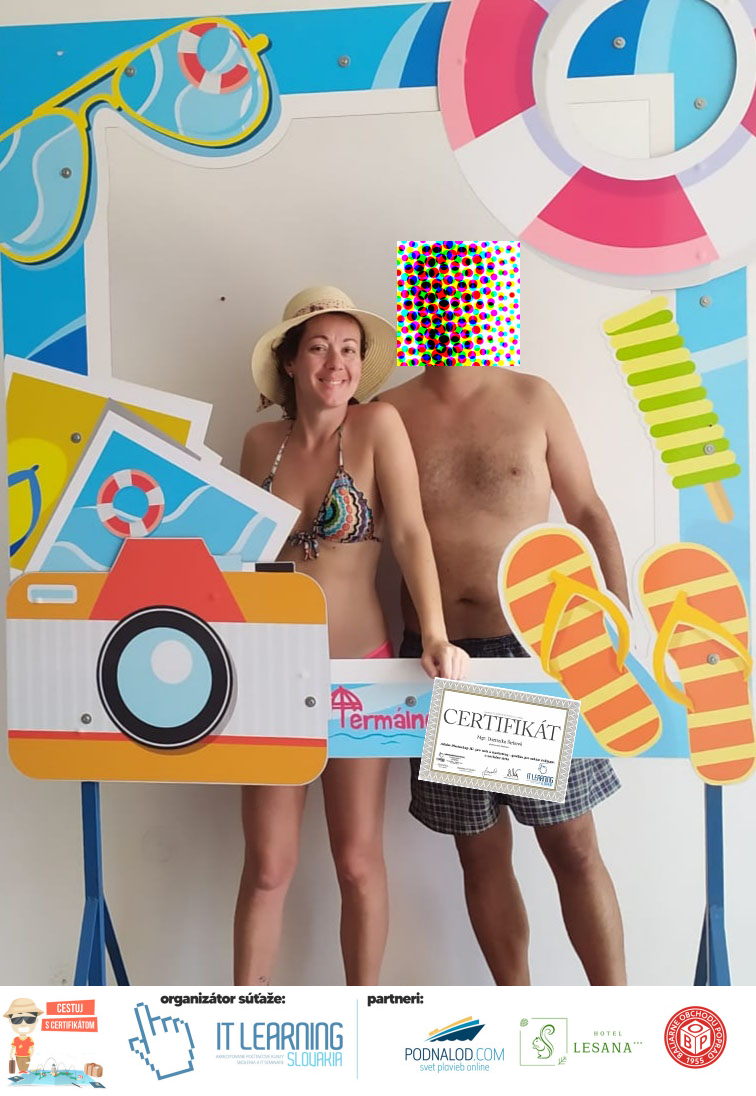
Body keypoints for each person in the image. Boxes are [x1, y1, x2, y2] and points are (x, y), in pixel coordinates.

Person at [235, 285, 468, 987]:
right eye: (318, 347)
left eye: (348, 348)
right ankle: (239, 1018)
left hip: (360, 671)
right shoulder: (258, 443)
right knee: (268, 865)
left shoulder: (377, 426)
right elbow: (241, 557)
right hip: (272, 672)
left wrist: (434, 632)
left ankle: (363, 1017)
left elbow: (410, 532)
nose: (335, 363)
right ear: (289, 362)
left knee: (358, 861)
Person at [380, 362, 628, 986]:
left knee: (572, 844)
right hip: (442, 662)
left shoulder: (533, 397)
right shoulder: (389, 412)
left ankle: (620, 1017)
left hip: (536, 651)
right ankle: (519, 1017)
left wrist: (619, 623)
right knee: (482, 851)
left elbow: (587, 509)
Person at [5, 997, 43, 1074]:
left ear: (36, 1020)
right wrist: (10, 1054)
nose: (23, 1024)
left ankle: (24, 1070)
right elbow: (13, 1047)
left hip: (27, 1055)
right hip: (18, 1055)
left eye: (29, 1019)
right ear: (10, 1021)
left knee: (26, 1064)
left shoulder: (29, 1039)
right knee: (19, 1063)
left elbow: (32, 1048)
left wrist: (31, 1055)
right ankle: (21, 1070)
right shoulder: (16, 1039)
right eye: (17, 1020)